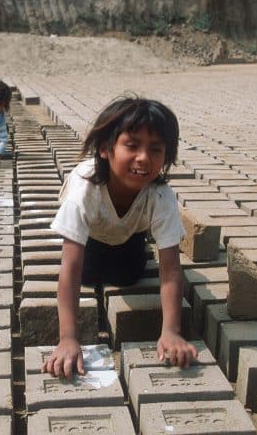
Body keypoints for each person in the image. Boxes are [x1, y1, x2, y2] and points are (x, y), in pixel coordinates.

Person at [41, 96, 198, 378]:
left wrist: (172, 332)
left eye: (156, 149)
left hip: (129, 234)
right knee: (87, 275)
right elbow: (70, 268)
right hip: (91, 236)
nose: (144, 158)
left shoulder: (160, 195)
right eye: (132, 145)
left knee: (128, 276)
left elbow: (171, 270)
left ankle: (137, 244)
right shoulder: (84, 191)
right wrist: (68, 339)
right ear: (105, 148)